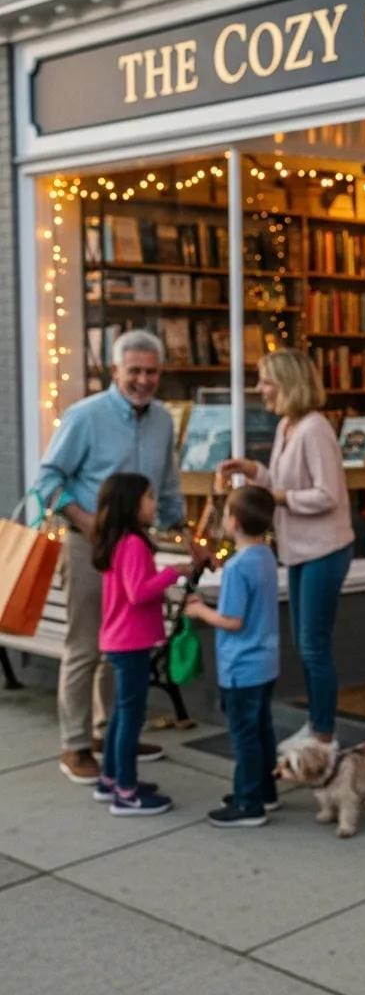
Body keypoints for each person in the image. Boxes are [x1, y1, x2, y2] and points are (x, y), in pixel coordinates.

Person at [35, 330, 186, 783]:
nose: (143, 380)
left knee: (120, 644)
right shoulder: (86, 416)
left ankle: (110, 733)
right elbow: (47, 482)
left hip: (138, 549)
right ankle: (75, 745)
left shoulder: (162, 420)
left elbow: (169, 482)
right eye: (134, 371)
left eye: (151, 372)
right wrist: (87, 523)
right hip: (90, 547)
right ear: (114, 371)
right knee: (84, 646)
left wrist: (182, 529)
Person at [218, 349, 355, 751]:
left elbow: (327, 494)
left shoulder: (315, 429)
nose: (260, 389)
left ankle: (323, 734)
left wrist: (277, 495)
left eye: (266, 381)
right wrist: (253, 471)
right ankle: (316, 726)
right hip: (299, 550)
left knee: (314, 645)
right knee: (306, 643)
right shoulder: (287, 427)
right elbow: (283, 480)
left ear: (289, 383)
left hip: (325, 550)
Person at [92, 474, 194, 816]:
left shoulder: (117, 541)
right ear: (132, 505)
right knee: (131, 716)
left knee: (122, 713)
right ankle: (127, 791)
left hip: (120, 640)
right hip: (130, 642)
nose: (155, 504)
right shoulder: (133, 543)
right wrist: (172, 573)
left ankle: (110, 779)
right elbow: (138, 593)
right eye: (150, 498)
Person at [185, 486, 280, 828]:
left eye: (226, 513)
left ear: (235, 521)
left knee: (244, 737)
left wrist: (199, 611)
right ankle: (265, 790)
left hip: (241, 666)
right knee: (261, 730)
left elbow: (233, 620)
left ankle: (248, 801)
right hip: (265, 662)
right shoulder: (266, 556)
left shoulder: (239, 567)